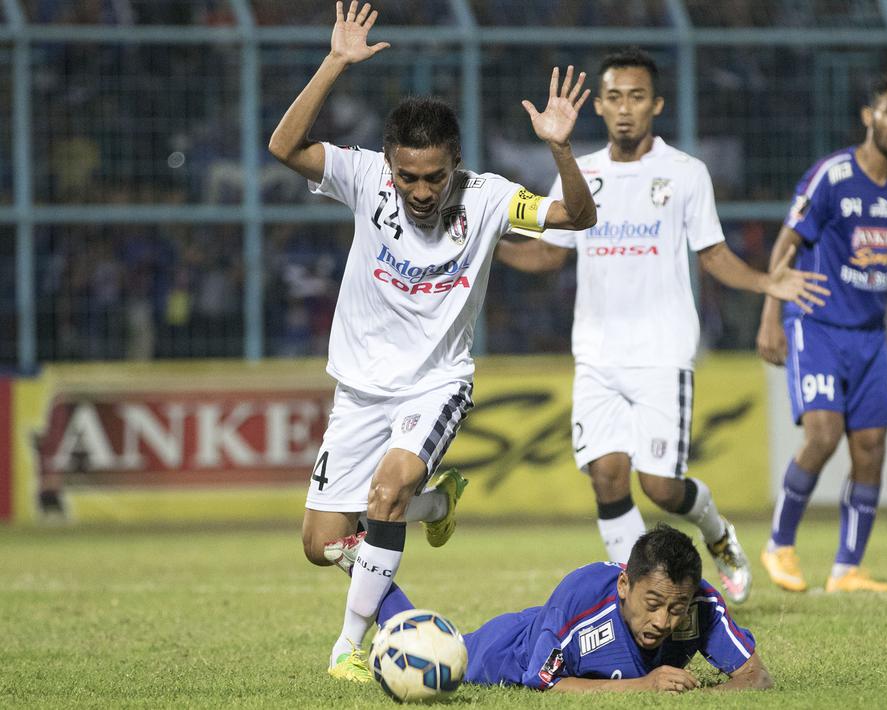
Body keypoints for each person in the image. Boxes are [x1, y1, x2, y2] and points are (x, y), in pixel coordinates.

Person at [267, 1, 597, 681]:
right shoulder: (361, 177)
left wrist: (560, 149)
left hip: (435, 383)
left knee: (382, 499)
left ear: (456, 166)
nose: (421, 191)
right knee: (322, 544)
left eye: (434, 176)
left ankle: (349, 649)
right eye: (407, 176)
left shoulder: (486, 198)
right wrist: (334, 63)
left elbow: (576, 216)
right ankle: (435, 503)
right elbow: (283, 147)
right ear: (388, 163)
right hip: (360, 390)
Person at [495, 47, 830, 604]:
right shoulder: (582, 174)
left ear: (657, 105)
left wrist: (766, 282)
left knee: (661, 487)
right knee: (606, 476)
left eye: (637, 98)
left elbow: (714, 255)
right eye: (615, 98)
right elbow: (549, 255)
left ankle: (717, 532)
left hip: (661, 352)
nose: (625, 109)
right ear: (598, 106)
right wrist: (491, 250)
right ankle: (640, 598)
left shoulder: (684, 173)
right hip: (597, 353)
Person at [756, 75, 887, 594]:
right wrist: (771, 313)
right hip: (814, 323)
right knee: (822, 434)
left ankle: (847, 569)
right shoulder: (832, 176)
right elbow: (787, 242)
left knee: (871, 446)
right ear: (868, 115)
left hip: (867, 336)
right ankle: (779, 545)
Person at [377, 524, 772, 692]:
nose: (662, 621)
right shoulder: (581, 598)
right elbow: (545, 685)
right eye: (652, 604)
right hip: (509, 651)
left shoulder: (699, 605)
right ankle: (372, 570)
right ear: (624, 585)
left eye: (675, 608)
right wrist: (643, 687)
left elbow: (756, 676)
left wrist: (701, 696)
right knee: (430, 653)